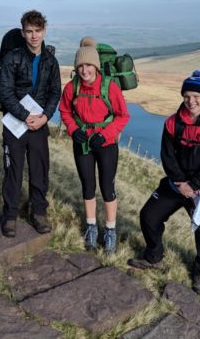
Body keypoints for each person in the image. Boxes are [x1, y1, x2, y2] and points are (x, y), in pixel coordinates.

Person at [128, 70, 200, 294]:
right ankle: (154, 257)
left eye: (197, 96)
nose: (191, 101)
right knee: (149, 215)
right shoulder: (173, 122)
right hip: (177, 184)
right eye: (187, 96)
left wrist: (192, 186)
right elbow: (168, 156)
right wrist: (180, 182)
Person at [59, 37, 130, 253]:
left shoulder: (109, 87)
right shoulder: (72, 88)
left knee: (107, 187)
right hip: (83, 142)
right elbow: (64, 111)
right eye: (80, 66)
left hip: (106, 144)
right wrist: (73, 130)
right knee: (88, 186)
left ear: (96, 66)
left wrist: (106, 134)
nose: (84, 70)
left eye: (88, 65)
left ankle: (110, 231)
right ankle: (91, 228)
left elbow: (122, 116)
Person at [0, 10, 61, 237]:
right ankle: (11, 215)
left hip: (39, 124)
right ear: (23, 32)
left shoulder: (51, 61)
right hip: (15, 123)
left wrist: (45, 117)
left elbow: (55, 92)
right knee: (13, 170)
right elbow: (5, 93)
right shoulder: (12, 58)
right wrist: (25, 116)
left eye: (37, 31)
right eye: (29, 31)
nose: (34, 36)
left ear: (44, 31)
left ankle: (38, 213)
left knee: (39, 170)